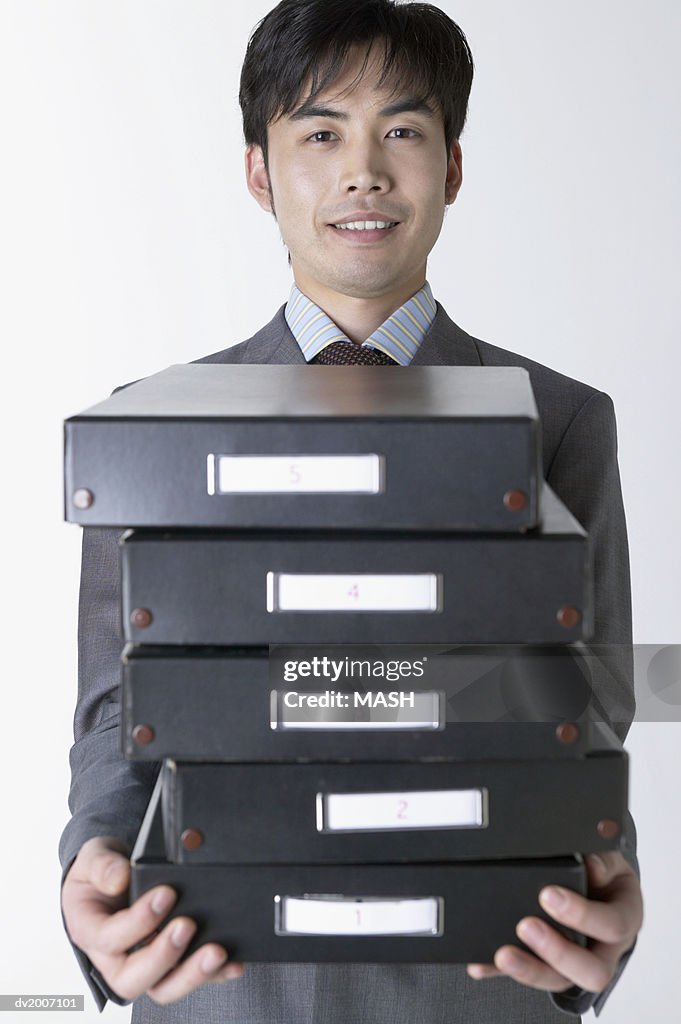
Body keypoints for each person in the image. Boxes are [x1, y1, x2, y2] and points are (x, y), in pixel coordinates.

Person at [59, 1, 643, 1021]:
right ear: (260, 170)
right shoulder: (146, 430)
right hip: (220, 976)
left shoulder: (561, 420)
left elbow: (589, 700)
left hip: (478, 978)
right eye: (321, 132)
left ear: (452, 168)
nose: (364, 170)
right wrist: (94, 869)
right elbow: (119, 708)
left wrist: (598, 882)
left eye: (403, 132)